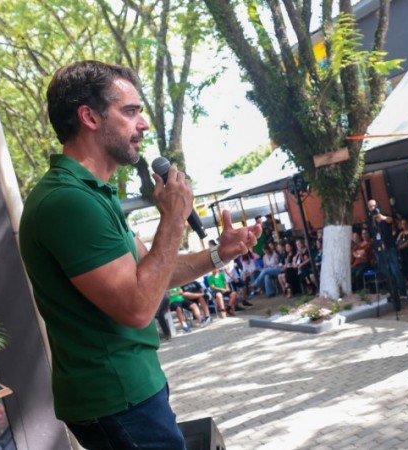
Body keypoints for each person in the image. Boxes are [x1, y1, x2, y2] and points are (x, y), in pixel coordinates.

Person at [18, 61, 260, 449]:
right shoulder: (68, 201)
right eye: (130, 111)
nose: (143, 124)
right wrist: (174, 219)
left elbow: (151, 272)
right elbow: (137, 306)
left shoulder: (91, 193)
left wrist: (218, 255)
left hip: (132, 390)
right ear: (89, 117)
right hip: (116, 397)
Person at [366, 199, 407, 298]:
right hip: (379, 249)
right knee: (385, 271)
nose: (373, 208)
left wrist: (382, 217)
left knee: (395, 269)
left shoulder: (384, 216)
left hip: (389, 246)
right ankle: (393, 291)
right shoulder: (370, 220)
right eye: (371, 207)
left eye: (374, 206)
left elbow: (391, 220)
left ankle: (402, 291)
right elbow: (373, 235)